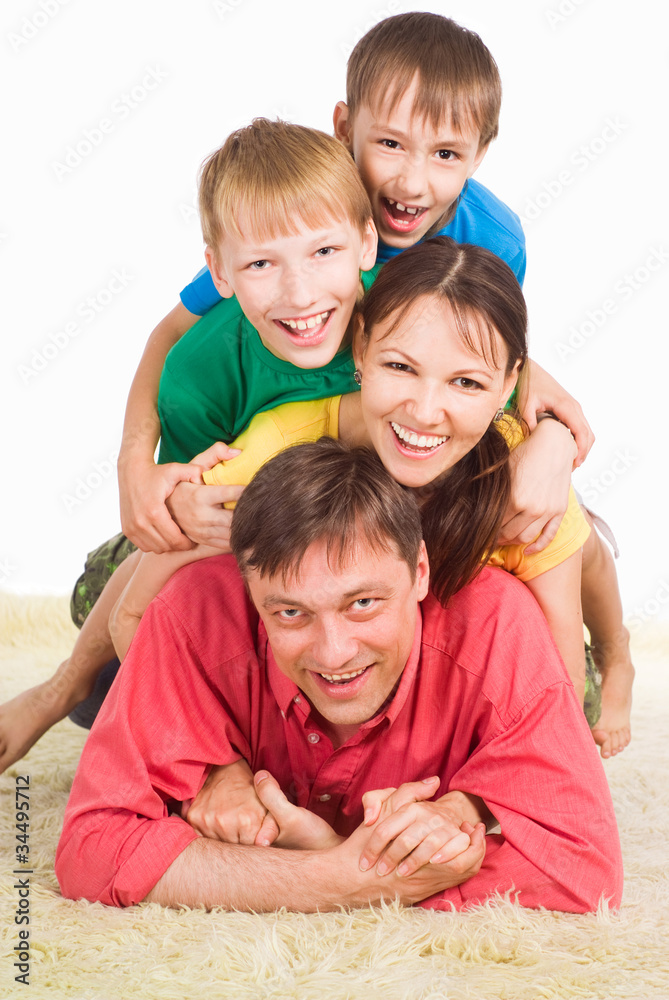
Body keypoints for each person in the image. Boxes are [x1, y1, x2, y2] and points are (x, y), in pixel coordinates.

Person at [54, 439, 623, 913]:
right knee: (104, 662)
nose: (334, 652)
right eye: (290, 612)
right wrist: (342, 878)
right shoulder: (195, 607)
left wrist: (451, 816)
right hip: (150, 623)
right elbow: (92, 849)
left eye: (363, 603)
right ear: (250, 592)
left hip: (535, 618)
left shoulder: (499, 623)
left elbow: (583, 869)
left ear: (420, 571)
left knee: (573, 714)